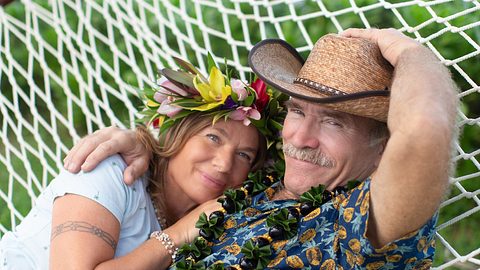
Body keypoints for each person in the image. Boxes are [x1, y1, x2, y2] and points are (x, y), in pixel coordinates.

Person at [59, 28, 458, 269]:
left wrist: (406, 50)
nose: (300, 139)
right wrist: (143, 143)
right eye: (298, 112)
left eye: (335, 122)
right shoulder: (260, 180)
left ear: (381, 144)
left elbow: (424, 129)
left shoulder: (364, 221)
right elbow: (206, 153)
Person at [0, 57, 287, 269]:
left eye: (243, 155)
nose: (224, 164)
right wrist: (176, 236)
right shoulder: (112, 170)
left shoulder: (219, 223)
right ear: (176, 133)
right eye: (213, 137)